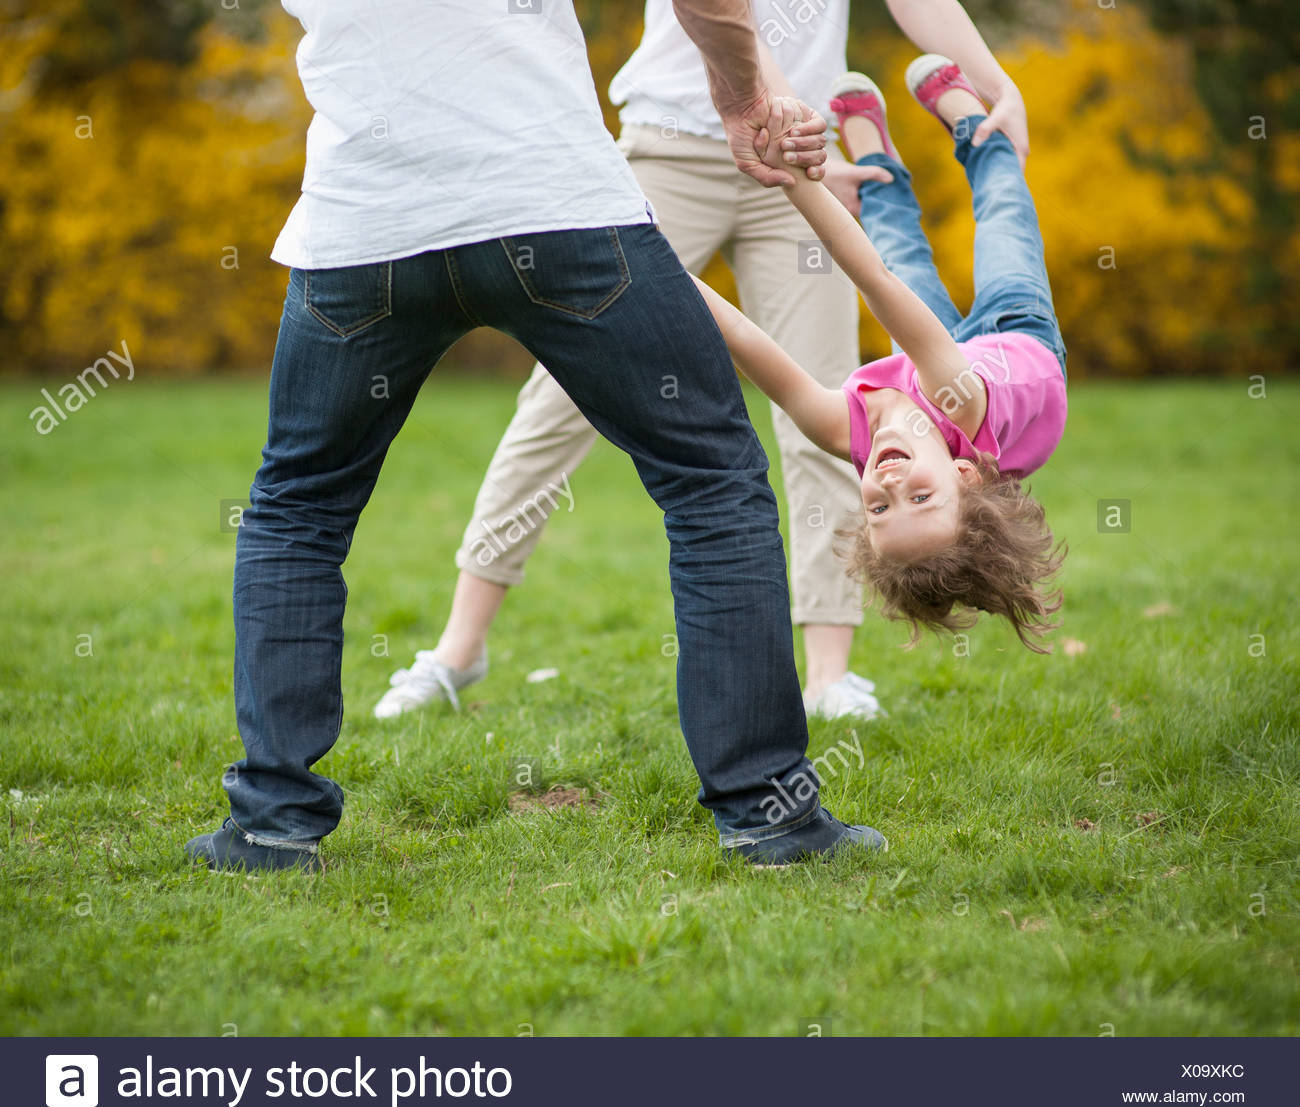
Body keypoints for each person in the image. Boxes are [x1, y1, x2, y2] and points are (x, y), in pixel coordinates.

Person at [184, 0, 887, 873]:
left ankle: (269, 827)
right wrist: (743, 97)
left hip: (364, 229)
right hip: (555, 207)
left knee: (298, 509)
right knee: (712, 483)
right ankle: (769, 818)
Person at [374, 0, 1032, 722]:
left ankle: (828, 677)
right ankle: (458, 649)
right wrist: (781, 111)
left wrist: (996, 82)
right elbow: (727, 14)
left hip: (795, 163)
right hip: (674, 145)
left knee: (845, 427)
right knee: (559, 402)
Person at [693, 57, 1067, 652]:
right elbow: (872, 282)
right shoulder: (958, 402)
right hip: (1021, 342)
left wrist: (655, 252)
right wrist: (797, 177)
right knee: (1002, 220)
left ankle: (875, 161)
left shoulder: (842, 431)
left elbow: (744, 340)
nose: (889, 482)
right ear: (964, 474)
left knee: (899, 252)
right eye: (920, 497)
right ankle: (976, 127)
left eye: (878, 507)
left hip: (932, 356)